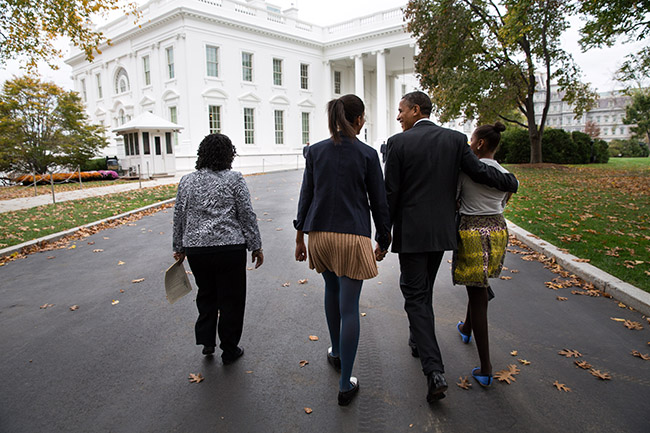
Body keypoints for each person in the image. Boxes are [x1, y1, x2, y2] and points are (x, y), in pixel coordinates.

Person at [384, 91, 519, 403]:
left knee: (416, 296)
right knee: (422, 291)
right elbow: (481, 171)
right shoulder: (455, 139)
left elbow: (390, 193)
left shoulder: (397, 143)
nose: (399, 116)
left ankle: (434, 371)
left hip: (413, 234)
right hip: (442, 234)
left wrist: (383, 235)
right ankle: (418, 340)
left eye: (402, 110)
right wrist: (510, 182)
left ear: (416, 110)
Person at [294, 94, 391, 406]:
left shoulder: (316, 151)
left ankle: (335, 351)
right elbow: (379, 201)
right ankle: (345, 382)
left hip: (319, 235)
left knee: (331, 290)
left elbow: (306, 195)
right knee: (350, 306)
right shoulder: (366, 154)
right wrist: (384, 239)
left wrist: (299, 237)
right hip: (352, 236)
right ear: (359, 119)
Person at [172, 133, 264, 365]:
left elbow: (179, 216)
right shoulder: (234, 179)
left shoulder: (187, 181)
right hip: (229, 248)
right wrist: (256, 245)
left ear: (201, 154)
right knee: (231, 298)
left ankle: (207, 341)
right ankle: (230, 349)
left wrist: (178, 247)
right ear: (228, 155)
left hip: (197, 250)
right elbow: (246, 213)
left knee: (207, 294)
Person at [453, 122, 512, 387]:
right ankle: (466, 328)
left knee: (477, 293)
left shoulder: (466, 173)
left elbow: (455, 200)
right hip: (498, 230)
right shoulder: (506, 174)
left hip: (472, 231)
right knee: (477, 283)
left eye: (471, 140)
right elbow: (502, 203)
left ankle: (486, 367)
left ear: (479, 144)